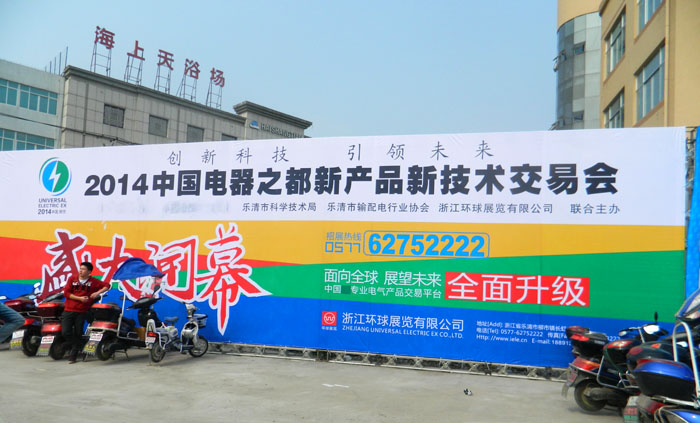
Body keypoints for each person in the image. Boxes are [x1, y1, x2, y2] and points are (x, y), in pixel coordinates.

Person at [62, 262, 110, 363]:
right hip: (68, 309)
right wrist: (79, 298)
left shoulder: (93, 281)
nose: (80, 271)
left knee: (78, 332)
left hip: (81, 311)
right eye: (80, 268)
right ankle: (80, 345)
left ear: (89, 271)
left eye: (83, 269)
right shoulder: (72, 279)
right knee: (66, 332)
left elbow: (107, 285)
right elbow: (66, 293)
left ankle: (73, 355)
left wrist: (97, 293)